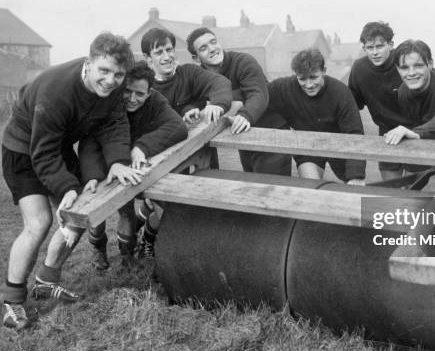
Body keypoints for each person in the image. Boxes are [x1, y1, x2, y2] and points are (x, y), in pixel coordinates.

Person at [1, 33, 143, 329]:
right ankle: (13, 302)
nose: (111, 80)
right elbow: (42, 152)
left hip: (58, 148)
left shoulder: (116, 87)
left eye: (118, 74)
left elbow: (115, 123)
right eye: (103, 71)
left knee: (80, 215)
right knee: (38, 223)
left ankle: (46, 281)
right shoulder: (56, 89)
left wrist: (117, 161)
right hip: (24, 150)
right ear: (88, 63)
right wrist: (66, 187)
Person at [82, 61, 188, 269]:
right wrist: (92, 175)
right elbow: (88, 142)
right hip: (102, 162)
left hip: (128, 167)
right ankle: (98, 249)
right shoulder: (106, 101)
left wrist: (142, 147)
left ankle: (126, 258)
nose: (132, 99)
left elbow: (178, 126)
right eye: (127, 91)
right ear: (120, 86)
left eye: (139, 94)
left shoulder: (156, 101)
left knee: (126, 211)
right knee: (94, 211)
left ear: (150, 92)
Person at [138, 28, 233, 255]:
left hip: (198, 154)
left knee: (206, 203)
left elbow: (220, 84)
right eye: (159, 52)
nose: (166, 57)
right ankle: (150, 240)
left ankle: (201, 251)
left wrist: (216, 104)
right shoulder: (144, 88)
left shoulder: (189, 73)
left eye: (169, 49)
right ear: (147, 59)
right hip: (161, 156)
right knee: (170, 214)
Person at [186, 27, 292, 175]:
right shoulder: (199, 76)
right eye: (203, 48)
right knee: (251, 191)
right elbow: (194, 98)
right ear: (196, 58)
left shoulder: (243, 61)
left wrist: (245, 114)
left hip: (270, 133)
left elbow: (258, 94)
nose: (212, 49)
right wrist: (191, 109)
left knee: (271, 191)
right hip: (244, 137)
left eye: (213, 42)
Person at [268, 48, 366, 184]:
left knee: (351, 189)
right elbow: (259, 94)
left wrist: (356, 175)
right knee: (311, 188)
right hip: (309, 148)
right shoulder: (284, 87)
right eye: (302, 79)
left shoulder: (341, 93)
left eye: (314, 77)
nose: (309, 85)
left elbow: (354, 133)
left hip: (340, 146)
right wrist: (245, 114)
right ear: (296, 75)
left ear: (324, 71)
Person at [348, 21, 408, 180]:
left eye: (380, 46)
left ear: (391, 44)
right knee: (391, 189)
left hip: (415, 130)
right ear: (364, 48)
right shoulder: (359, 68)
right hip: (387, 134)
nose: (375, 52)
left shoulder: (406, 61)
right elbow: (352, 103)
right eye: (370, 48)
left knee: (413, 189)